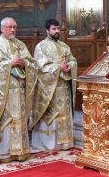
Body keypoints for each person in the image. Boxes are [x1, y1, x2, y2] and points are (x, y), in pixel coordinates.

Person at [0, 17, 35, 161]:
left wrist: (25, 64)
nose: (13, 30)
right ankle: (2, 152)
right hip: (3, 92)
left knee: (19, 119)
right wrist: (9, 64)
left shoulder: (20, 44)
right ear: (2, 29)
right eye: (9, 27)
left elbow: (33, 64)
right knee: (5, 120)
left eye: (14, 27)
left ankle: (20, 151)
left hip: (19, 90)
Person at [30, 18, 77, 152]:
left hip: (64, 86)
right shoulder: (41, 46)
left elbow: (73, 60)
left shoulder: (64, 46)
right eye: (54, 29)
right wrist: (58, 67)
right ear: (47, 30)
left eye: (58, 29)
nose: (57, 31)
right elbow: (39, 67)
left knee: (64, 114)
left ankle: (65, 143)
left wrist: (70, 66)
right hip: (50, 89)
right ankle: (49, 143)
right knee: (51, 115)